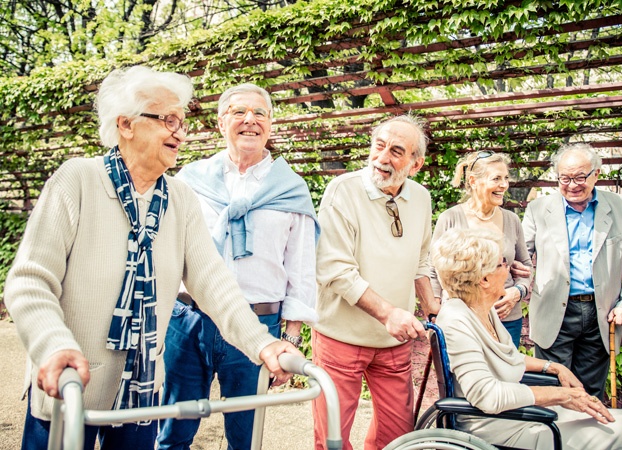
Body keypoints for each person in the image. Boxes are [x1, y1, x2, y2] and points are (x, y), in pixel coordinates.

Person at [3, 66, 299, 450]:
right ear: (125, 125)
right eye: (167, 119)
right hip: (70, 388)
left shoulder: (180, 198)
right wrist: (52, 344)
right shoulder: (77, 180)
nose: (179, 131)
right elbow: (30, 281)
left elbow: (214, 283)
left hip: (140, 394)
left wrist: (264, 343)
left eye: (183, 121)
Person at [157, 83, 319, 450]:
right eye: (238, 112)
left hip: (259, 324)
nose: (250, 120)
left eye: (260, 113)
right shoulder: (189, 182)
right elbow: (168, 253)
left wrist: (290, 336)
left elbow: (302, 270)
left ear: (271, 125)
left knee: (246, 435)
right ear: (220, 123)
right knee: (174, 428)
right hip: (189, 319)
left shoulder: (292, 189)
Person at [431, 227, 622, 450]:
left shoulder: (482, 309)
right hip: (503, 427)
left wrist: (554, 367)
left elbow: (507, 357)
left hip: (519, 416)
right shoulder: (457, 320)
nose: (509, 268)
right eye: (503, 263)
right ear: (484, 279)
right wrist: (561, 396)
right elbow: (487, 396)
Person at [312, 115, 440, 450]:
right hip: (340, 336)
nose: (382, 158)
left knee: (397, 437)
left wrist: (431, 305)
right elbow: (336, 269)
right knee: (332, 440)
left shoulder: (422, 198)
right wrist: (388, 314)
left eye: (396, 151)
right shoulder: (343, 190)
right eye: (379, 146)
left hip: (393, 342)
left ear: (415, 164)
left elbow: (421, 261)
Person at [521, 143, 622, 400]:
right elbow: (521, 259)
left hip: (601, 314)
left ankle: (585, 440)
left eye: (580, 177)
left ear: (596, 174)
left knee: (590, 392)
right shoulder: (538, 209)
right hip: (552, 311)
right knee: (552, 392)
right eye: (565, 178)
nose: (572, 185)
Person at [430, 150, 532, 346]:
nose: (504, 185)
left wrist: (518, 291)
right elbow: (433, 268)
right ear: (473, 181)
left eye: (505, 178)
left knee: (506, 373)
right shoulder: (450, 218)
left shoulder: (511, 220)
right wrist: (435, 310)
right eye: (496, 178)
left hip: (506, 318)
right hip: (462, 319)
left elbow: (526, 267)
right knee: (465, 374)